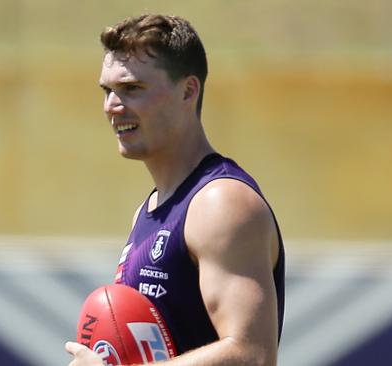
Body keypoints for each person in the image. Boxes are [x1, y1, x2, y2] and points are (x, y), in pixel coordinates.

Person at [65, 14, 284, 366]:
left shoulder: (220, 202)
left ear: (188, 90)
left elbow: (252, 354)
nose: (112, 106)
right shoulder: (150, 209)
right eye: (108, 91)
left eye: (132, 88)